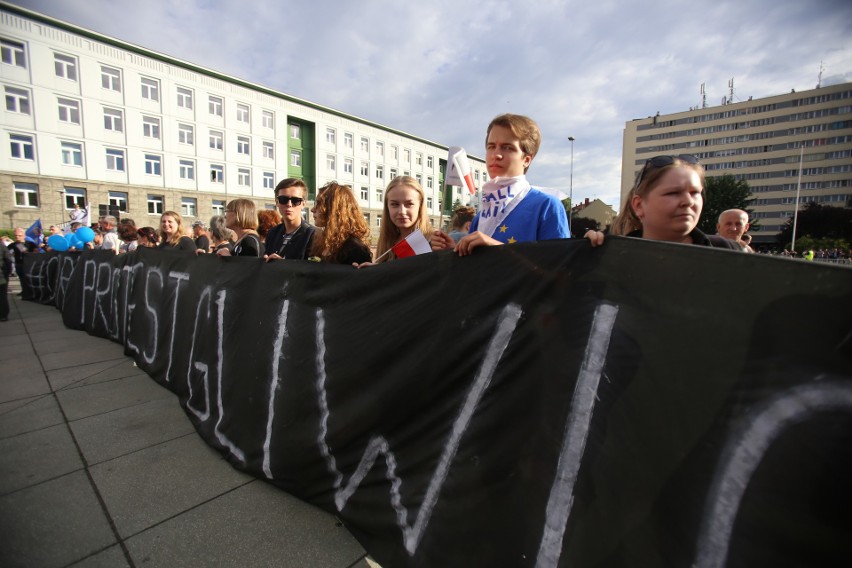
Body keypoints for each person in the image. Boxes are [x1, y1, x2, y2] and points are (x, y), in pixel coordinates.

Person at [432, 113, 570, 256]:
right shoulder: (480, 217)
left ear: (527, 159)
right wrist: (453, 250)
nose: (495, 155)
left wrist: (497, 248)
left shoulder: (547, 206)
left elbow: (559, 269)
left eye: (507, 147)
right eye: (491, 147)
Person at [585, 155, 739, 249]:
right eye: (673, 193)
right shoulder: (611, 255)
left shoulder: (727, 250)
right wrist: (584, 254)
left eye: (694, 193)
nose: (688, 202)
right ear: (638, 205)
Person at [367, 176, 434, 265]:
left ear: (420, 206)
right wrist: (369, 271)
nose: (402, 211)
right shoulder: (386, 241)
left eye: (409, 204)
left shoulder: (433, 241)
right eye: (395, 204)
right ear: (387, 207)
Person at [309, 181, 372, 265]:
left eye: (319, 203)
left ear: (334, 209)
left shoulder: (355, 249)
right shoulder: (320, 242)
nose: (312, 209)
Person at [264, 178, 316, 261]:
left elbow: (313, 270)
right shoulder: (273, 233)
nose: (289, 204)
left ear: (303, 204)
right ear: (277, 202)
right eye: (283, 200)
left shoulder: (313, 235)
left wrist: (285, 266)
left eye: (296, 200)